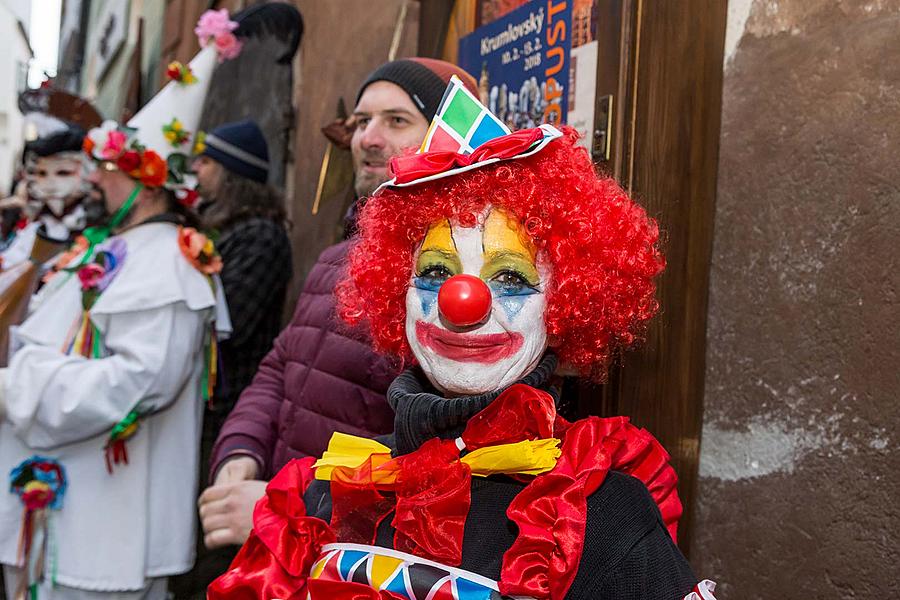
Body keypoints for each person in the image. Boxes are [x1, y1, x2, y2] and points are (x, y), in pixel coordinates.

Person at [209, 78, 720, 599]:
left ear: (566, 303)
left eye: (511, 278)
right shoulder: (320, 495)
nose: (462, 299)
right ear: (396, 291)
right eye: (434, 270)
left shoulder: (600, 518)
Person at [199, 59, 480, 552]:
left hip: (356, 558)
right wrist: (240, 451)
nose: (366, 138)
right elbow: (281, 365)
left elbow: (447, 457)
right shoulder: (336, 257)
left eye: (396, 121)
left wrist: (292, 506)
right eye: (360, 121)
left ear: (447, 138)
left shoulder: (458, 279)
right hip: (284, 547)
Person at [0, 15, 237, 597]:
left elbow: (136, 383)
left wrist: (15, 388)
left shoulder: (174, 262)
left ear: (149, 183)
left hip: (105, 533)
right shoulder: (111, 245)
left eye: (111, 168)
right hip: (57, 517)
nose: (97, 178)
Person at [171, 119, 292, 598]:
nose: (197, 170)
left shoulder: (262, 236)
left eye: (207, 161)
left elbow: (232, 319)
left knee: (210, 530)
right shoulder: (221, 229)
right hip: (207, 404)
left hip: (231, 406)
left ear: (232, 172)